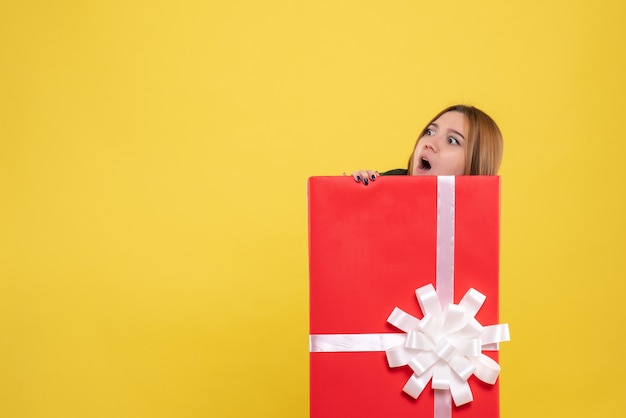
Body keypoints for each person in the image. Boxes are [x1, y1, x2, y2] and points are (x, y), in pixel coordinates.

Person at [350, 104, 503, 185]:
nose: (430, 143)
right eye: (429, 132)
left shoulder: (478, 226)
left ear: (476, 164)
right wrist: (349, 197)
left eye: (452, 140)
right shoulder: (382, 188)